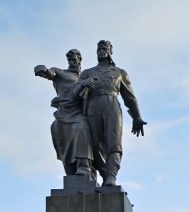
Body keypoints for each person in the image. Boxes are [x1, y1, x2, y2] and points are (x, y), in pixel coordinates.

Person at [73, 40, 146, 186]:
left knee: (113, 142)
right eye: (99, 49)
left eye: (104, 48)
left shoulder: (120, 72)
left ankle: (112, 175)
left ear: (110, 51)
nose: (101, 51)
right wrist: (83, 83)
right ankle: (104, 173)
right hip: (92, 106)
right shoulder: (88, 72)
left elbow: (129, 97)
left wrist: (137, 117)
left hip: (112, 105)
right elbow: (74, 93)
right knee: (94, 144)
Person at [35, 49, 94, 178]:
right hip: (64, 112)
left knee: (81, 127)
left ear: (80, 59)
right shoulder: (60, 72)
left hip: (79, 112)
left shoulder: (85, 76)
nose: (73, 61)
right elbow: (50, 73)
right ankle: (71, 171)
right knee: (60, 137)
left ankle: (84, 166)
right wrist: (42, 70)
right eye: (70, 59)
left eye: (75, 59)